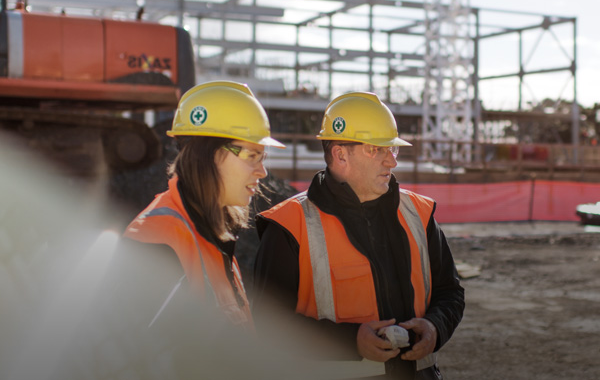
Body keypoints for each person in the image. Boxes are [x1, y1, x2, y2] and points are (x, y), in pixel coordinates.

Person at [253, 91, 464, 379]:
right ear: (341, 154)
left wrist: (435, 327)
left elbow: (450, 292)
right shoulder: (288, 226)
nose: (392, 161)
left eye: (393, 150)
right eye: (378, 150)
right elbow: (269, 325)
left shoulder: (419, 214)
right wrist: (350, 341)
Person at [123, 80, 285, 330]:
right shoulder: (155, 240)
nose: (262, 171)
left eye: (263, 157)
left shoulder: (214, 231)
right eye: (252, 156)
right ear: (209, 155)